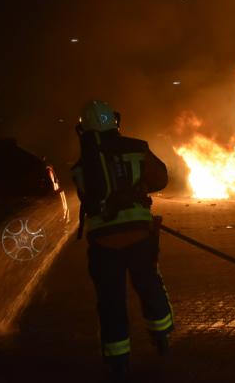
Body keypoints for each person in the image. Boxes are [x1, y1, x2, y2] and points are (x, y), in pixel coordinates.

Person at [71, 100, 173, 381]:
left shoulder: (81, 165)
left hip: (103, 244)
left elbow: (86, 198)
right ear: (114, 122)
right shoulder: (136, 148)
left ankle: (118, 361)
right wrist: (136, 186)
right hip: (139, 236)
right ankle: (161, 335)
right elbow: (161, 178)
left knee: (110, 301)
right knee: (149, 284)